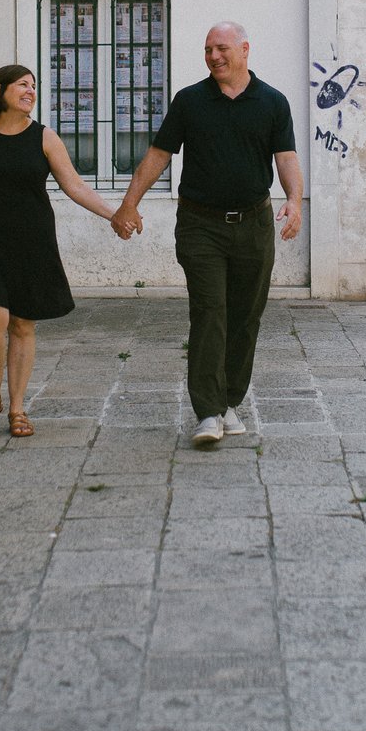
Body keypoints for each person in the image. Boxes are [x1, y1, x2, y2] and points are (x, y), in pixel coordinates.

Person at [113, 22, 303, 449]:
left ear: (244, 49)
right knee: (210, 311)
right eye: (207, 50)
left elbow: (286, 156)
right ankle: (208, 411)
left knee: (246, 317)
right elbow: (159, 154)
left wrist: (295, 201)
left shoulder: (272, 101)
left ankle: (229, 401)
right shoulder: (190, 101)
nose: (214, 56)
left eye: (221, 48)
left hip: (254, 224)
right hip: (201, 225)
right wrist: (129, 203)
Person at [0, 65, 120, 437]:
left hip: (32, 243)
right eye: (22, 84)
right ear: (0, 90)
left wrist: (115, 214)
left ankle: (16, 407)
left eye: (33, 86)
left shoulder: (44, 137)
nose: (30, 90)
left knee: (21, 324)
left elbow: (75, 186)